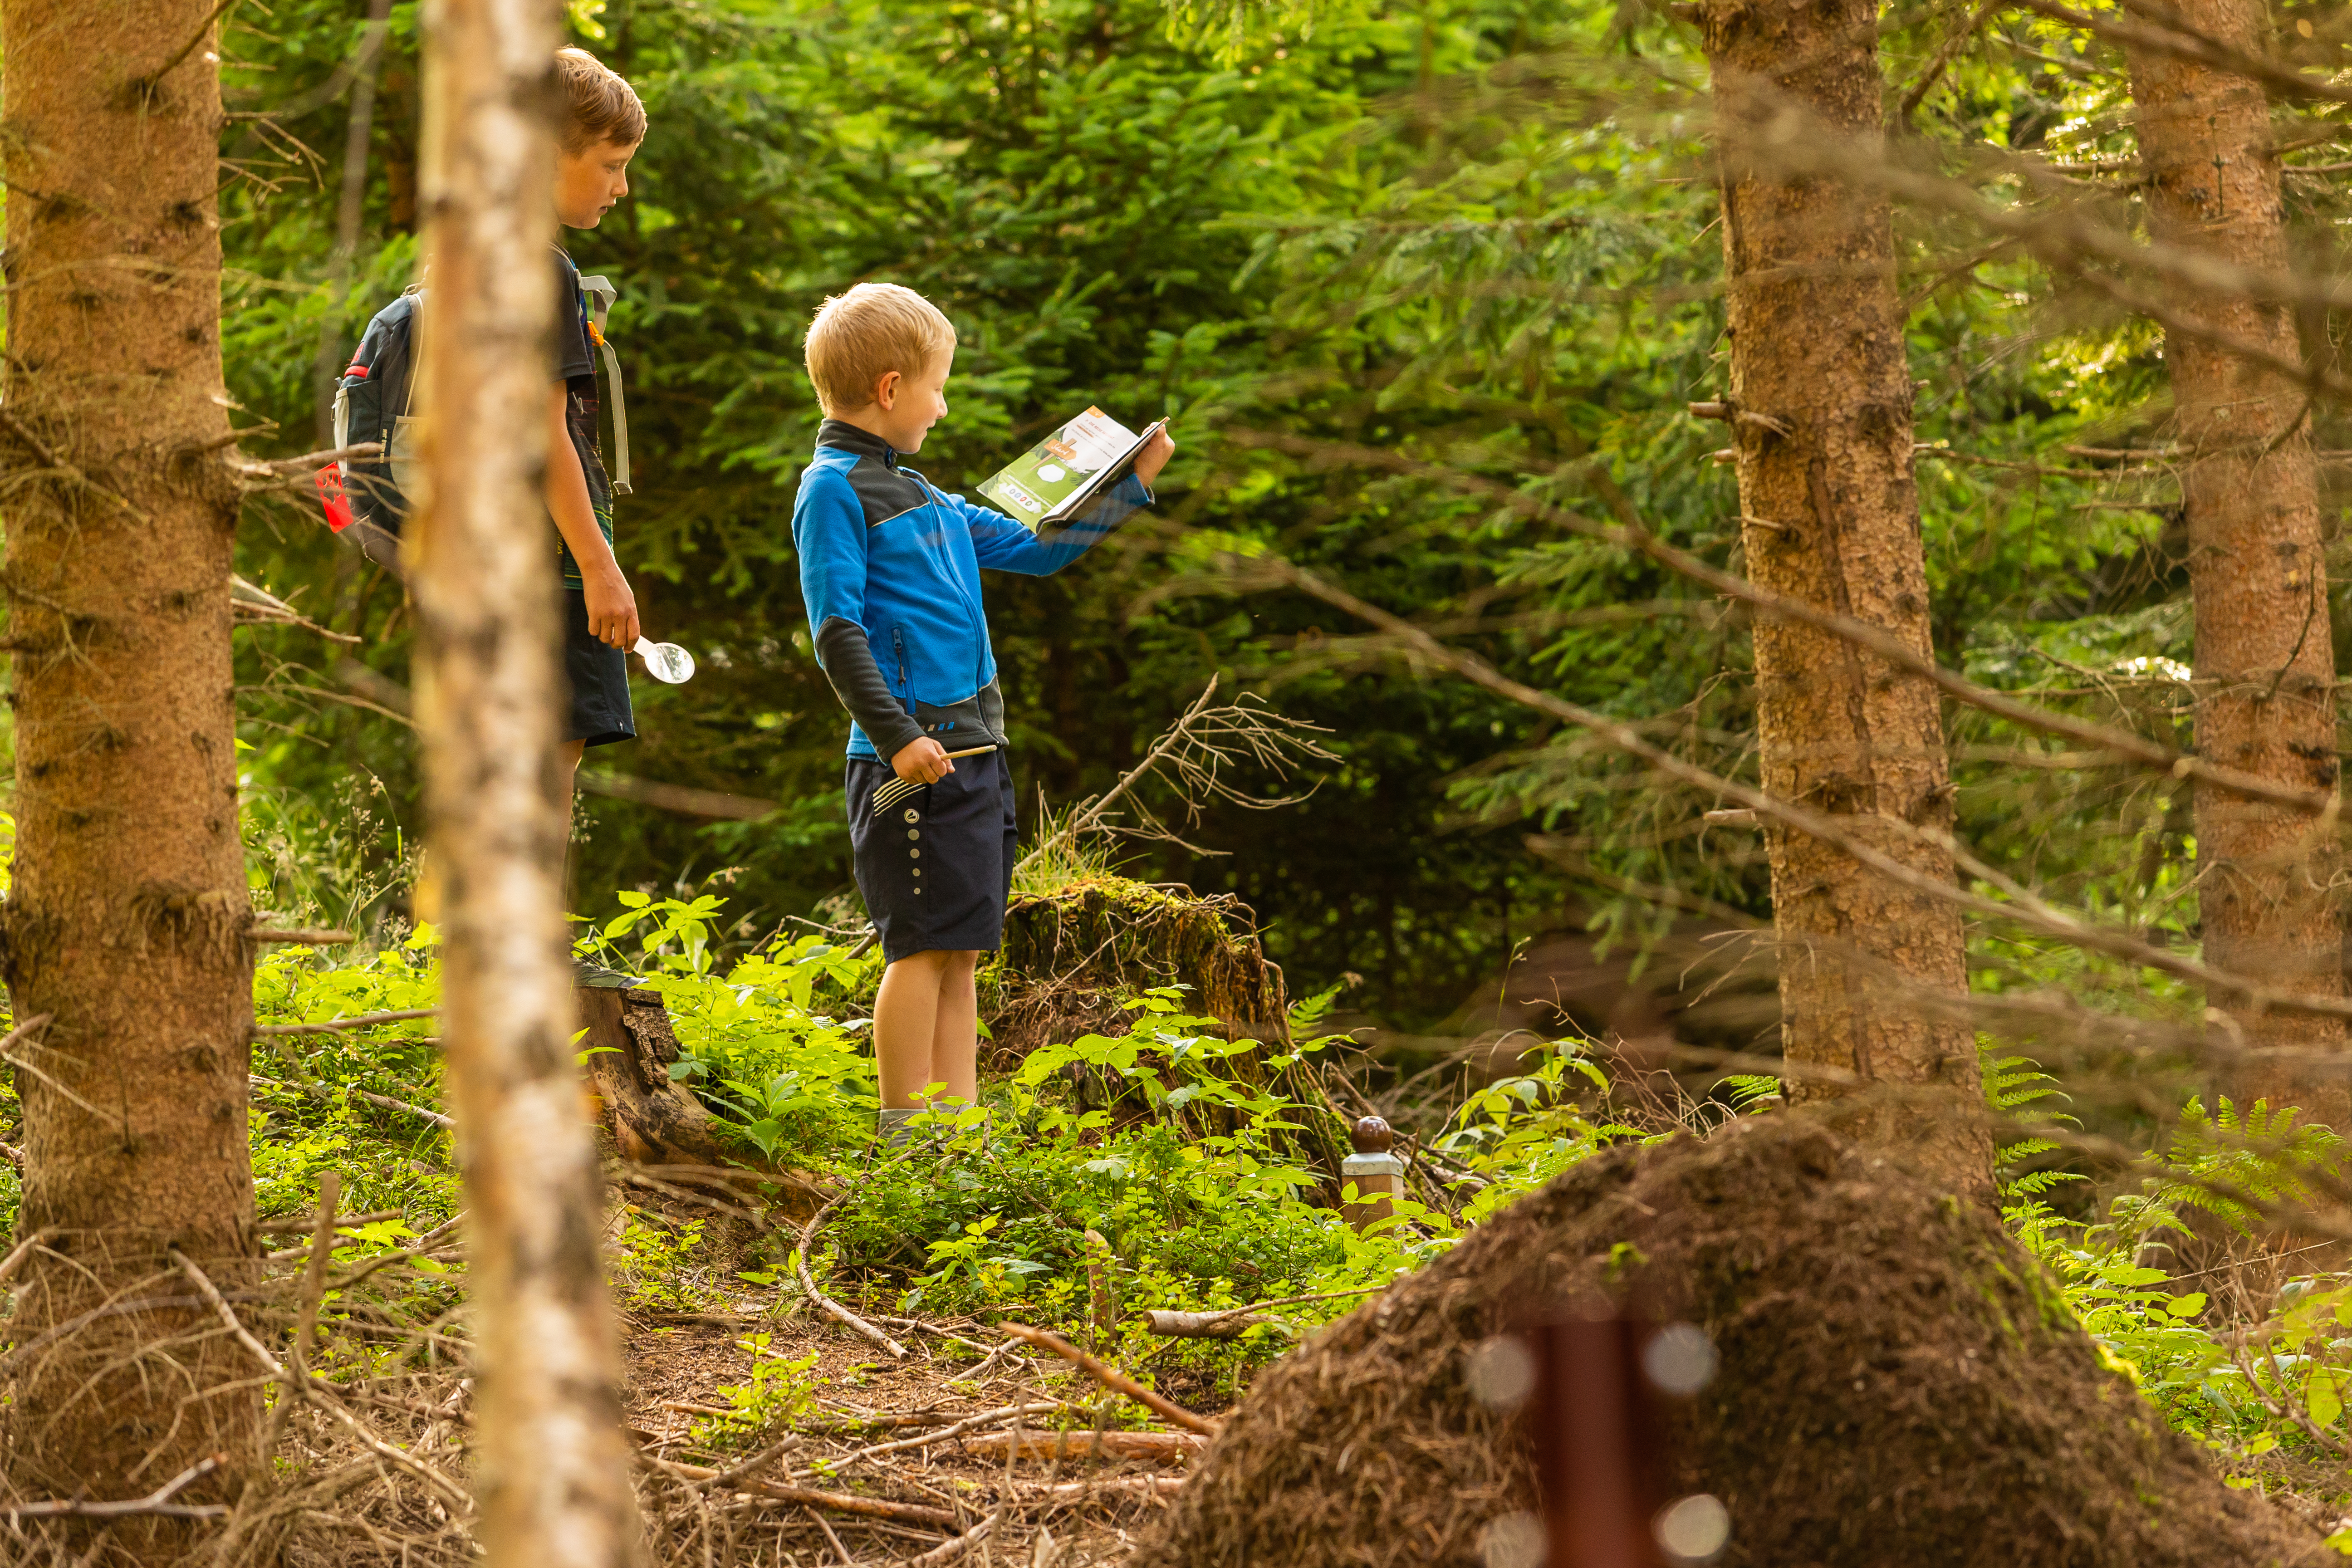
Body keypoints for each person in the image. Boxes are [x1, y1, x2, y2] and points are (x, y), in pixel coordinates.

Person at [792, 283, 1175, 1143]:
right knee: (918, 948)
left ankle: (957, 1135)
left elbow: (1041, 552)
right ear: (892, 390)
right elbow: (836, 629)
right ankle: (904, 1139)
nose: (945, 403)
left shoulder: (925, 495)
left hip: (975, 752)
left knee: (961, 948)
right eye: (937, 385)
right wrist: (899, 739)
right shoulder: (832, 491)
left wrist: (1130, 483)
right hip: (908, 762)